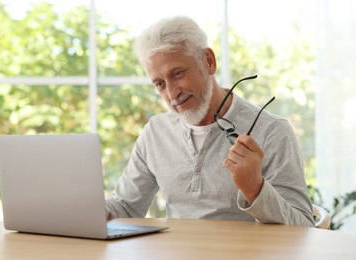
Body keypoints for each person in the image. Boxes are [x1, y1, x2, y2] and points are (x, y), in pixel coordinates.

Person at [105, 15, 314, 227]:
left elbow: (304, 228)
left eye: (177, 74)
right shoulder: (156, 132)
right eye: (159, 84)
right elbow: (125, 207)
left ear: (209, 61)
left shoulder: (271, 131)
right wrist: (94, 209)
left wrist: (255, 189)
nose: (172, 93)